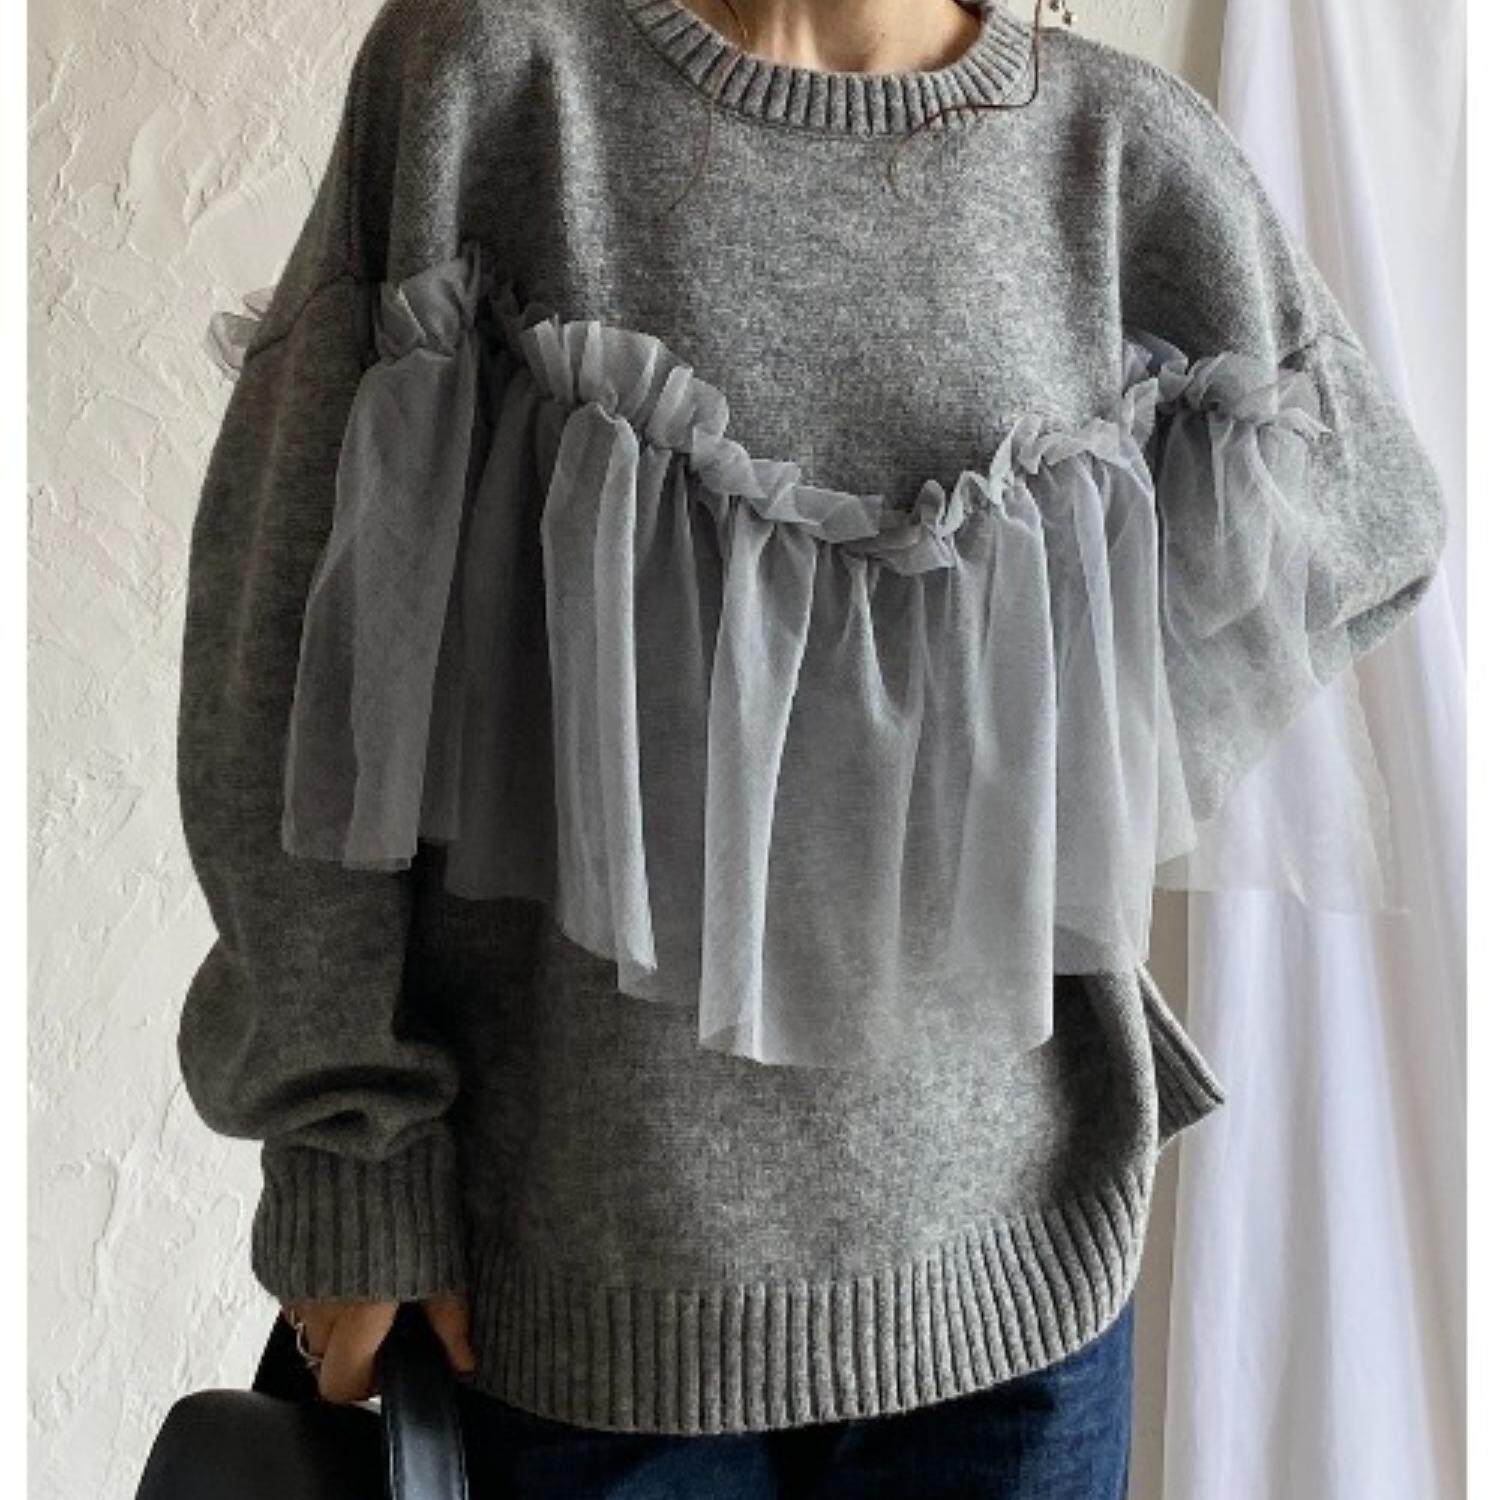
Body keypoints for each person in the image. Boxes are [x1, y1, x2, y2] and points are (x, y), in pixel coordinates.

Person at [177, 0, 1449, 1495]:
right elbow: (285, 646)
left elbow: (1369, 517)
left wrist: (1058, 725)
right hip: (580, 1316)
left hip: (1019, 1310)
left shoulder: (1119, 153)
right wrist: (348, 1151)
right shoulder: (494, 83)